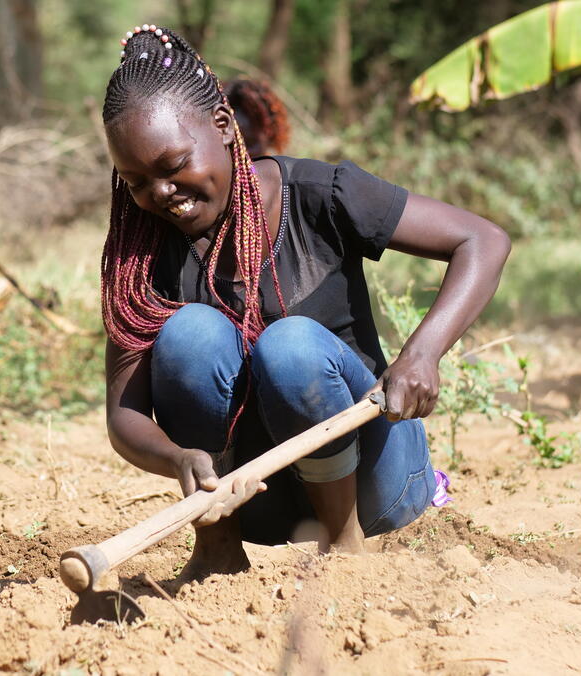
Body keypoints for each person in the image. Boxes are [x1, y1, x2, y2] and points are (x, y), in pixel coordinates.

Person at [101, 24, 510, 578]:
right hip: (256, 503)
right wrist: (177, 458)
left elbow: (482, 240)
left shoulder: (320, 195)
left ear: (223, 127)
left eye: (172, 167)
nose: (160, 195)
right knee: (190, 335)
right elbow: (124, 415)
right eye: (136, 181)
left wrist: (422, 354)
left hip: (374, 482)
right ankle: (217, 548)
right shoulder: (141, 256)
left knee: (290, 346)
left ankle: (343, 548)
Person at [224, 78, 291, 158]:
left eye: (249, 143)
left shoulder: (289, 169)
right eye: (231, 144)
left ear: (270, 135)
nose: (241, 153)